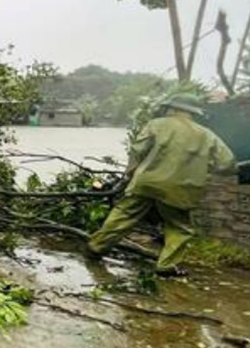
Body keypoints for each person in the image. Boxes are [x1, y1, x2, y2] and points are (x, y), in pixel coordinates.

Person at [87, 93, 236, 269]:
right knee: (179, 227)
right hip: (181, 188)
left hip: (146, 182)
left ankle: (95, 247)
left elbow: (137, 151)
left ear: (171, 108)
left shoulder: (156, 125)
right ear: (194, 113)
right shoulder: (207, 135)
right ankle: (167, 266)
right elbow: (228, 164)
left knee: (124, 215)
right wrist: (205, 168)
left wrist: (130, 174)